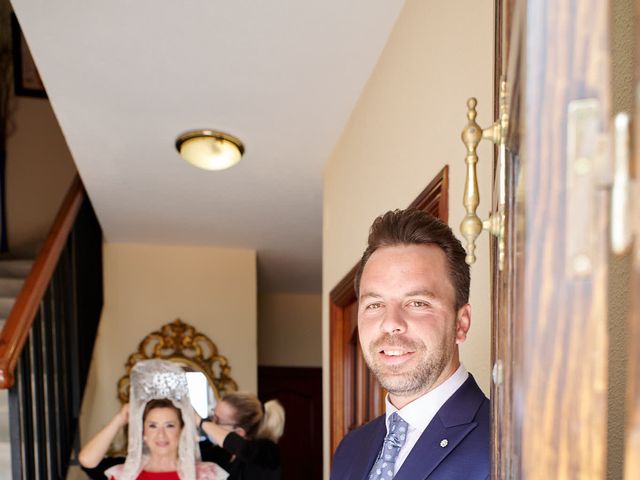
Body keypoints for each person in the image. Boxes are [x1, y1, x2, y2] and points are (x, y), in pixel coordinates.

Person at [330, 209, 489, 480]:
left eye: (417, 303)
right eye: (375, 304)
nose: (391, 323)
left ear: (461, 324)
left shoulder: (510, 443)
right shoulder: (350, 448)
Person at [79, 359, 227, 480]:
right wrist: (119, 419)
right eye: (152, 426)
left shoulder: (207, 475)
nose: (161, 434)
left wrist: (199, 421)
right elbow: (87, 461)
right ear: (143, 432)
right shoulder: (124, 474)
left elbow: (246, 452)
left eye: (169, 425)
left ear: (182, 430)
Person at [194, 392, 285, 480]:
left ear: (239, 432)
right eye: (213, 415)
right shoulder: (222, 452)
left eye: (218, 420)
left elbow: (243, 448)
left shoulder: (266, 451)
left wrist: (201, 422)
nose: (212, 423)